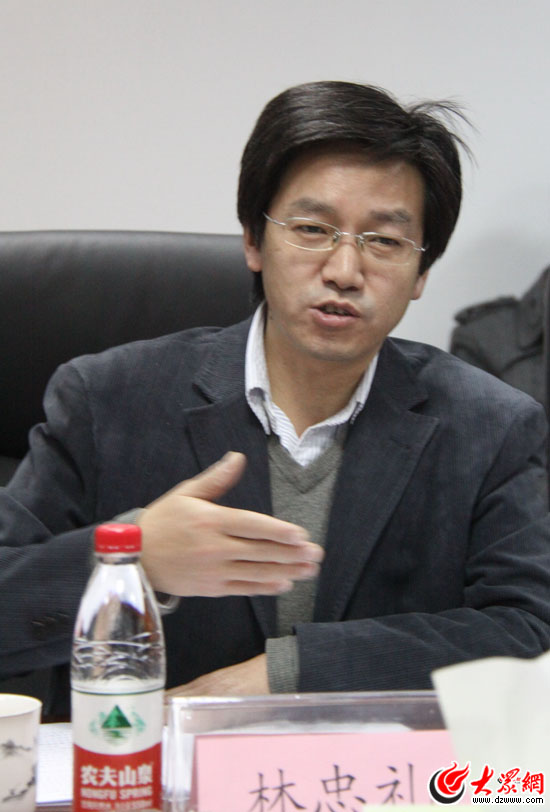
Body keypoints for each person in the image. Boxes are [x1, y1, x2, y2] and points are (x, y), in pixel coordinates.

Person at [1, 81, 550, 713]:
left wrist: (293, 672)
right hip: (142, 764)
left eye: (385, 241)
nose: (344, 271)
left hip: (375, 771)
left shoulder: (490, 426)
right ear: (254, 242)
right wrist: (134, 559)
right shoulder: (106, 400)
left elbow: (528, 631)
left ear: (422, 272)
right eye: (312, 229)